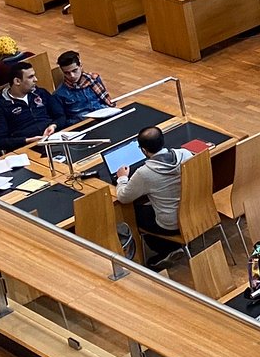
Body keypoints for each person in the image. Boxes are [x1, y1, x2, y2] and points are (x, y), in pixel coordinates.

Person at [115, 126, 193, 264]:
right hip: (194, 211)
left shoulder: (144, 173)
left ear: (144, 150)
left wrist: (122, 179)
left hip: (172, 224)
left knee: (135, 213)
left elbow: (123, 197)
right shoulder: (185, 154)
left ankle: (166, 250)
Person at [0, 61, 65, 151]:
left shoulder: (41, 93)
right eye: (30, 77)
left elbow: (60, 115)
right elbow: (0, 142)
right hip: (26, 149)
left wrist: (53, 125)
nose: (36, 79)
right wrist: (27, 140)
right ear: (17, 81)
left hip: (54, 138)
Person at [52, 50, 114, 121]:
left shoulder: (94, 79)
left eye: (74, 70)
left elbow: (106, 101)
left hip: (104, 117)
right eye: (67, 73)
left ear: (80, 66)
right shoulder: (59, 94)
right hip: (83, 124)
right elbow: (63, 120)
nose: (72, 75)